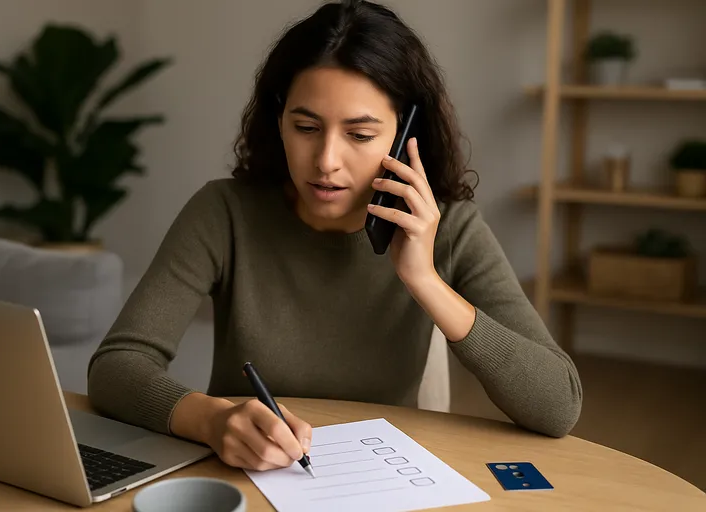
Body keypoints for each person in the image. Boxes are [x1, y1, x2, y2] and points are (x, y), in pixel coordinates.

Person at [87, 0, 582, 472]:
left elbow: (558, 405)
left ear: (405, 134)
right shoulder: (224, 213)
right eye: (306, 127)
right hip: (244, 477)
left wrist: (426, 280)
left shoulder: (449, 227)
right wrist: (212, 420)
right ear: (279, 120)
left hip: (382, 481)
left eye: (360, 135)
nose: (326, 161)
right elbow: (116, 367)